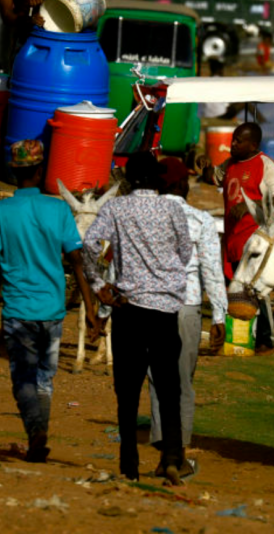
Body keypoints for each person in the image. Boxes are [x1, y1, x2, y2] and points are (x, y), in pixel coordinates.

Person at [0, 139, 98, 464]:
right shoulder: (59, 209)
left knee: (22, 377)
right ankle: (39, 433)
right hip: (52, 311)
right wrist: (89, 308)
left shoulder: (0, 212)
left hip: (18, 311)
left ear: (13, 171)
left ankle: (36, 433)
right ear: (41, 170)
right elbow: (77, 261)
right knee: (44, 378)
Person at [83, 153, 193, 486]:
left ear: (129, 179)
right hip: (164, 310)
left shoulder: (115, 209)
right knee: (169, 386)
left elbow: (90, 244)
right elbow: (185, 252)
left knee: (127, 389)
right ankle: (172, 455)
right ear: (157, 178)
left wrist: (100, 284)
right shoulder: (173, 209)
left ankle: (129, 461)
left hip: (128, 307)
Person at [146, 158, 227, 477]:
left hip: (152, 306)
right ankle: (177, 456)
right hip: (188, 307)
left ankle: (165, 452)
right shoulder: (200, 220)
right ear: (181, 185)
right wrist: (219, 314)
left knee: (157, 379)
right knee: (183, 381)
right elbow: (211, 270)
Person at [201, 122, 274, 353]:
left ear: (253, 145)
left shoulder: (266, 166)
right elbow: (215, 178)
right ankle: (238, 337)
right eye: (233, 139)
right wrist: (204, 167)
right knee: (234, 287)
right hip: (232, 236)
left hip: (255, 238)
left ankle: (266, 339)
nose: (233, 144)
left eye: (239, 141)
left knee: (255, 289)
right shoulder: (231, 163)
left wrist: (250, 208)